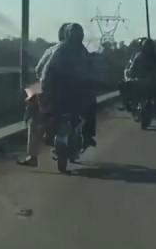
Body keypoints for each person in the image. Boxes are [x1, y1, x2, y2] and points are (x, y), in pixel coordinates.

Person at [18, 23, 97, 167]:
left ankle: (32, 156)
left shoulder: (54, 49)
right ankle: (88, 137)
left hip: (51, 95)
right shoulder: (84, 52)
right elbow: (92, 74)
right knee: (91, 108)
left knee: (31, 113)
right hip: (76, 97)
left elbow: (39, 70)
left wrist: (39, 92)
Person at [126, 37, 156, 117]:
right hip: (144, 81)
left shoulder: (142, 56)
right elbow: (132, 68)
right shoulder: (141, 56)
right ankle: (133, 106)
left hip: (147, 82)